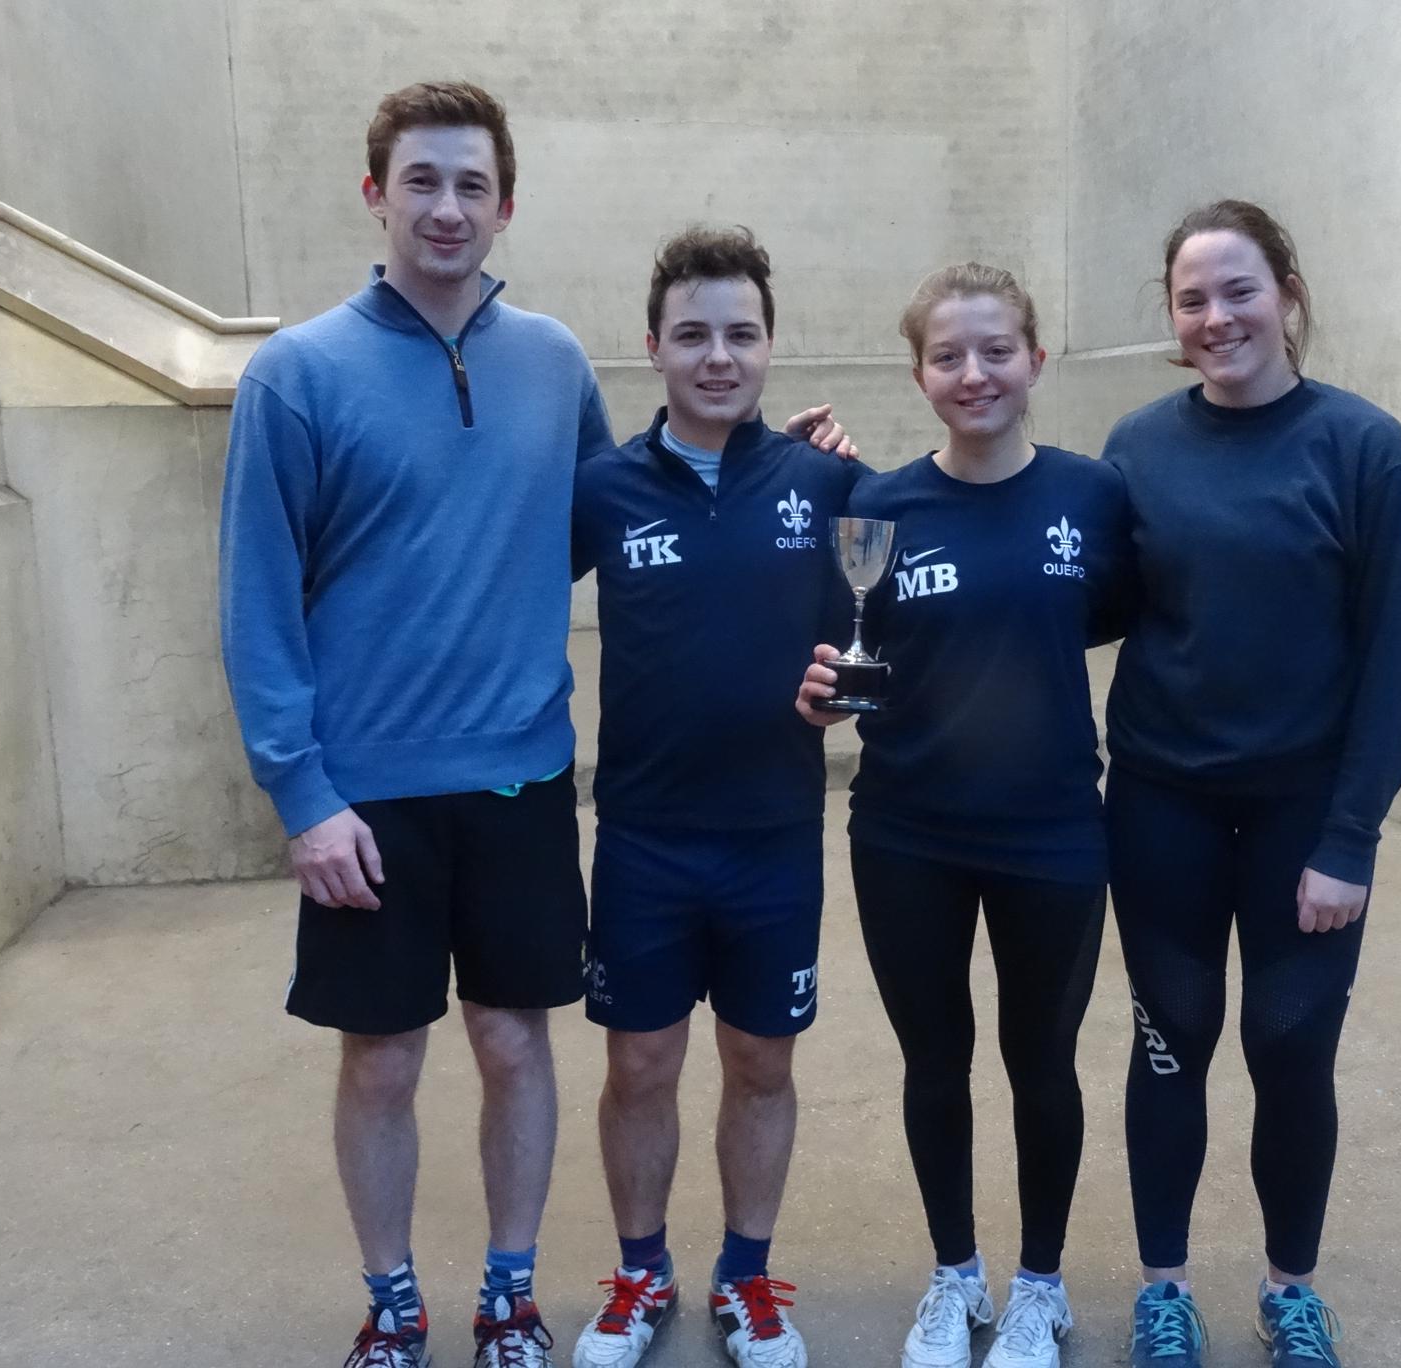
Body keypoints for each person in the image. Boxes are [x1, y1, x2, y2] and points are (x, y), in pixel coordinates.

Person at [220, 82, 852, 1368]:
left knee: (516, 1045)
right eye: (422, 181)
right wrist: (300, 792)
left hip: (521, 778)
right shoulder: (295, 374)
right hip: (368, 794)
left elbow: (623, 517)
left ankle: (511, 1293)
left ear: (505, 205)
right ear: (376, 194)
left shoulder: (554, 363)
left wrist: (772, 466)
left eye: (471, 186)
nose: (446, 208)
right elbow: (253, 600)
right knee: (384, 1063)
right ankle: (394, 1306)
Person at [1098, 200, 1401, 1368]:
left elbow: (1399, 662)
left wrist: (1351, 837)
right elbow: (1080, 603)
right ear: (1173, 316)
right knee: (1168, 1041)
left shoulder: (1365, 448)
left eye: (1238, 290)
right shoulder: (1138, 447)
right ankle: (1164, 1287)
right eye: (1192, 299)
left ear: (1287, 292)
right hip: (1159, 802)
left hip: (1303, 816)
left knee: (1291, 1050)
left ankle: (1291, 1287)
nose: (1216, 317)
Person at [797, 263, 1131, 1368]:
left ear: (1036, 359)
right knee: (933, 1061)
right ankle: (955, 1276)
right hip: (907, 835)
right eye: (949, 356)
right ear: (919, 374)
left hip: (1052, 835)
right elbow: (865, 657)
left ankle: (1040, 1286)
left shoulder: (1094, 496)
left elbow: (1109, 616)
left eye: (997, 351)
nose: (974, 373)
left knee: (1044, 1063)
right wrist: (832, 693)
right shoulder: (877, 507)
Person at [566, 226, 863, 1368]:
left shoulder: (827, 480)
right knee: (638, 1064)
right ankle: (643, 1274)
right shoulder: (600, 489)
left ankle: (747, 1279)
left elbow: (883, 636)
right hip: (642, 839)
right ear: (653, 348)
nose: (718, 355)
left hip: (776, 837)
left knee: (761, 1064)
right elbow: (505, 594)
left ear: (769, 345)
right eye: (693, 334)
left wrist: (854, 700)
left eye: (741, 333)